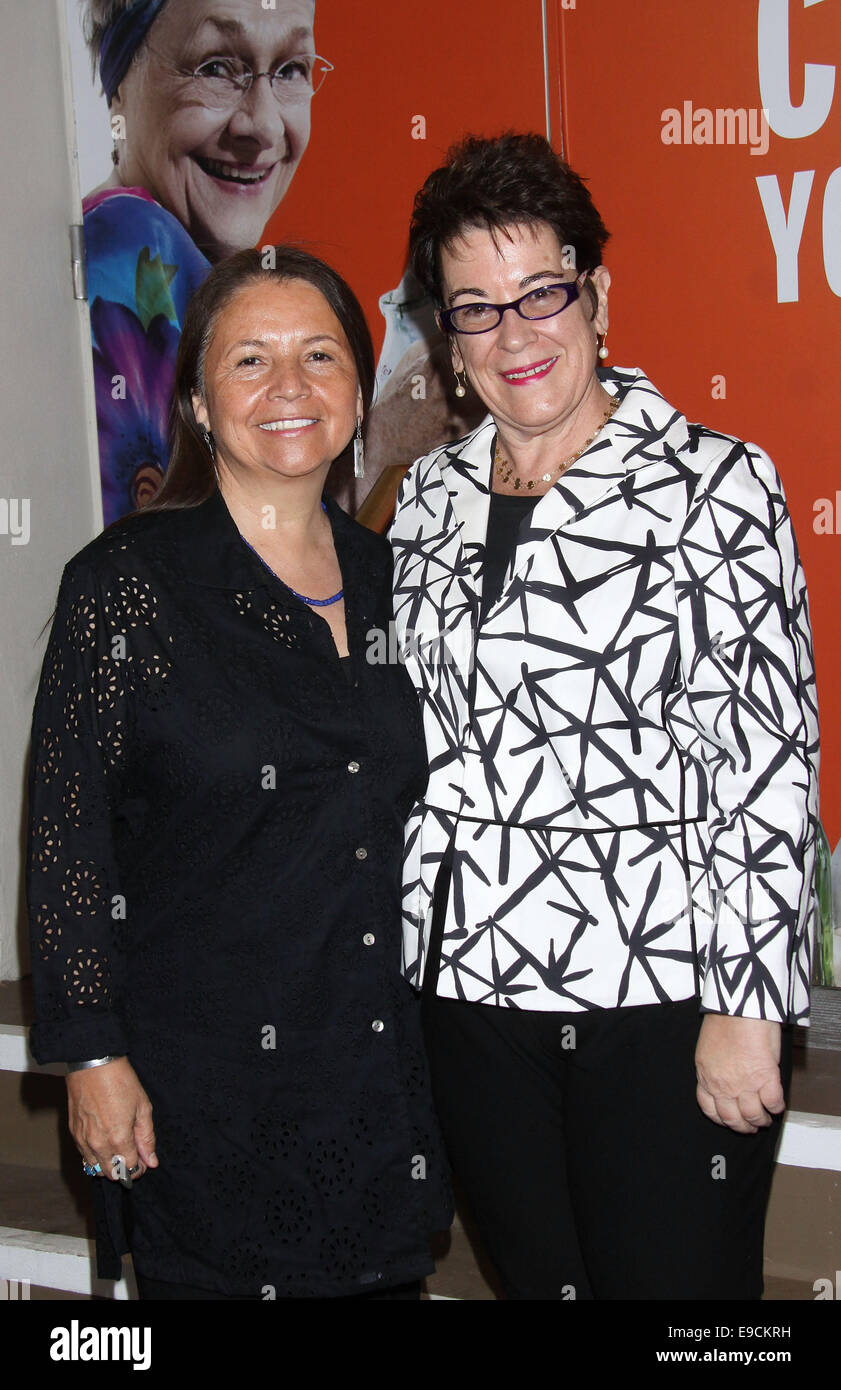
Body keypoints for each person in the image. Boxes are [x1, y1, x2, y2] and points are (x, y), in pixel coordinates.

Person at [389, 132, 820, 1301]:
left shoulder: (716, 483)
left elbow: (767, 759)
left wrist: (749, 1007)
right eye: (476, 308)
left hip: (659, 994)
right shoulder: (422, 497)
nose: (514, 333)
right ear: (448, 337)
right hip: (469, 991)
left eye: (542, 292)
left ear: (597, 295)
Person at [27, 245, 450, 1299]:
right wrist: (89, 1056)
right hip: (200, 1097)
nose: (290, 387)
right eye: (250, 360)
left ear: (361, 386)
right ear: (201, 407)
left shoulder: (402, 583)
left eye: (319, 355)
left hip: (377, 1081)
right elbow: (65, 834)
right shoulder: (126, 586)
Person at [79, 0, 330, 521]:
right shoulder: (131, 241)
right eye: (215, 68)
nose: (263, 126)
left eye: (290, 70)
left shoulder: (198, 273)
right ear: (120, 79)